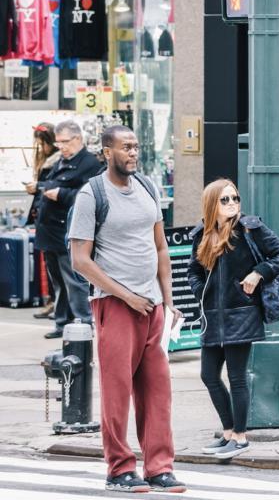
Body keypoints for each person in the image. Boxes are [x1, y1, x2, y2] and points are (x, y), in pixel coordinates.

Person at [67, 125, 185, 493]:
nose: (133, 153)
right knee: (117, 393)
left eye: (136, 147)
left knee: (157, 390)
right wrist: (126, 295)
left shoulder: (148, 187)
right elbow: (79, 260)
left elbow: (161, 247)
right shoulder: (92, 195)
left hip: (152, 307)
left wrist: (168, 299)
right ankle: (119, 468)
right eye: (125, 148)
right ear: (106, 152)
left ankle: (159, 468)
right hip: (114, 307)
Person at [188, 179, 279, 460]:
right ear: (212, 204)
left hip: (242, 313)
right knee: (208, 375)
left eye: (235, 198)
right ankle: (227, 432)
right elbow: (193, 272)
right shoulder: (202, 234)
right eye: (225, 200)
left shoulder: (250, 229)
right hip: (212, 317)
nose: (232, 203)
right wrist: (203, 292)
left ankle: (241, 437)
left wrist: (258, 272)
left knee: (236, 377)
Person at [35, 120, 102, 338]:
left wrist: (61, 194)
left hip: (69, 231)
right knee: (58, 282)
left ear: (78, 139)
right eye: (58, 142)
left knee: (74, 281)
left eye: (65, 142)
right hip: (50, 231)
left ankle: (83, 324)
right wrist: (40, 190)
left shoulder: (89, 163)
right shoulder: (60, 161)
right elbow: (52, 184)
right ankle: (62, 323)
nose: (61, 146)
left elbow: (91, 197)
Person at [26, 123, 58, 320]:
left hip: (53, 218)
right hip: (44, 216)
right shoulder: (48, 161)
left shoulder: (56, 162)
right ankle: (53, 302)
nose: (40, 148)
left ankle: (58, 304)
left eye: (42, 143)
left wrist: (37, 187)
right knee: (50, 264)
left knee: (58, 267)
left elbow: (56, 187)